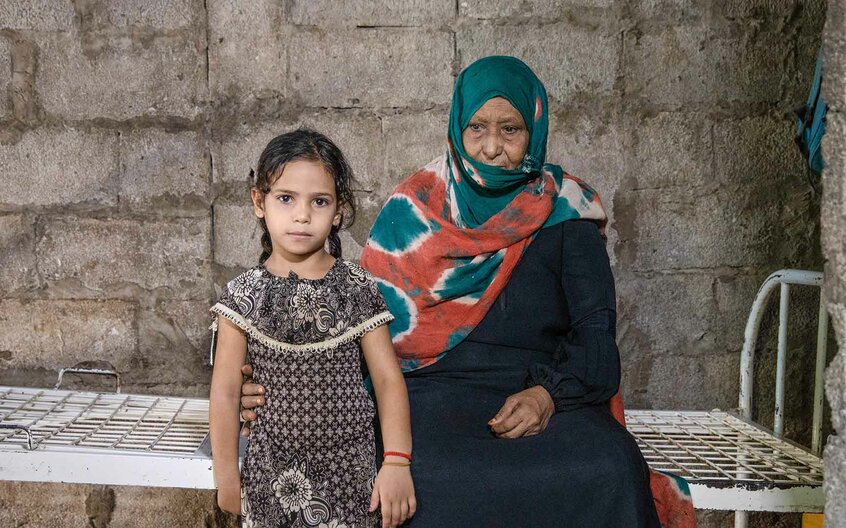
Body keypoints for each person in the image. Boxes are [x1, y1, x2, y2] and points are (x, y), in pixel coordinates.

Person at [240, 58, 664, 526]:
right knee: (407, 473)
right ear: (457, 128)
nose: (492, 147)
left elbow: (596, 338)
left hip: (540, 398)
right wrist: (273, 383)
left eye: (510, 129)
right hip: (424, 397)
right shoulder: (416, 208)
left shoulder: (568, 213)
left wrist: (546, 396)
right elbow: (355, 335)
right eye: (477, 127)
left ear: (535, 131)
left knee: (613, 468)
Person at [209, 129, 416, 528]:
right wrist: (226, 476)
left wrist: (396, 462)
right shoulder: (242, 298)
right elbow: (224, 392)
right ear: (259, 202)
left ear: (338, 211)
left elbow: (389, 381)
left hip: (349, 477)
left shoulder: (357, 290)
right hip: (272, 480)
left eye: (319, 201)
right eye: (286, 198)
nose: (302, 215)